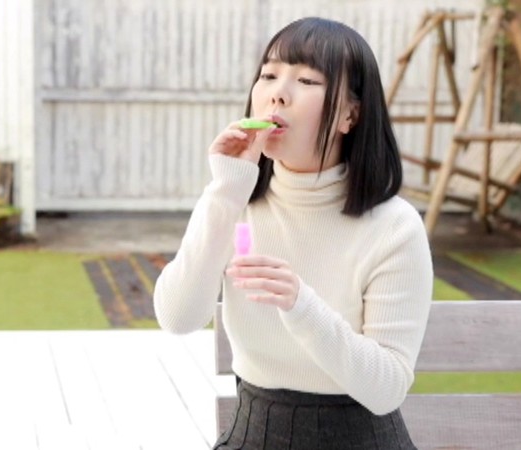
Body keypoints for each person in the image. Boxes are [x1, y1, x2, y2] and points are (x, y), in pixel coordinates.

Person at [153, 17, 432, 449]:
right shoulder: (237, 201)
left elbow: (387, 388)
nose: (278, 93)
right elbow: (178, 317)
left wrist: (301, 305)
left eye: (306, 80)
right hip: (253, 433)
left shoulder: (395, 226)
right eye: (268, 75)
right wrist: (226, 189)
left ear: (350, 115)